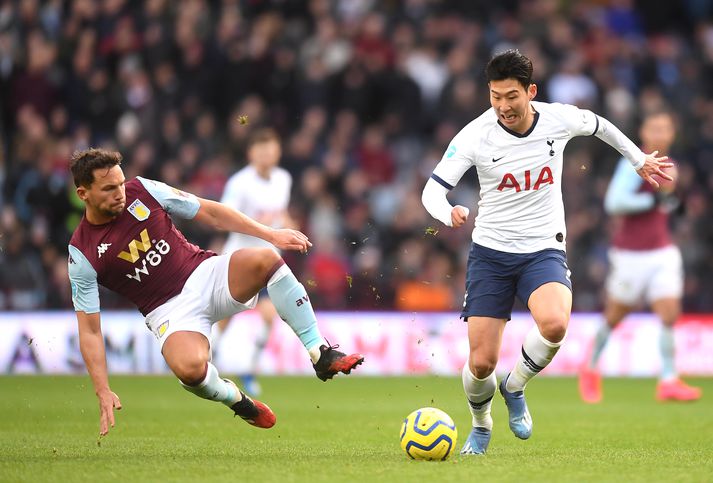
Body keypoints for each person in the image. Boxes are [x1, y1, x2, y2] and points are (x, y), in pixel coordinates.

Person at [421, 50, 672, 455]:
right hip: (491, 252)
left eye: (511, 96)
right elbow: (432, 189)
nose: (503, 106)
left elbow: (600, 125)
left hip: (543, 247)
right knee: (481, 363)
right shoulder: (474, 135)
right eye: (495, 96)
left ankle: (515, 385)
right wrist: (445, 211)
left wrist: (638, 159)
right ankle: (481, 424)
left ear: (530, 92)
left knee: (555, 323)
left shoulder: (558, 118)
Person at [67, 148, 364, 436]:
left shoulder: (143, 189)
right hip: (168, 311)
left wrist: (270, 234)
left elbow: (208, 211)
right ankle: (237, 400)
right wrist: (102, 390)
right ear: (84, 194)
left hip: (204, 273)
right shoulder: (82, 253)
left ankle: (320, 353)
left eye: (120, 183)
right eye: (108, 189)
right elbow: (90, 331)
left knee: (267, 259)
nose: (120, 192)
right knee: (190, 370)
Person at [579, 111, 701, 403]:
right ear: (643, 133)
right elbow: (615, 203)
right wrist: (653, 200)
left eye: (665, 128)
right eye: (654, 128)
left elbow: (666, 205)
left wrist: (675, 205)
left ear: (672, 133)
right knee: (615, 315)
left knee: (669, 312)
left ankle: (668, 380)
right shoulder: (631, 163)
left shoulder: (671, 166)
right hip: (630, 255)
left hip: (662, 251)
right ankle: (590, 368)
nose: (659, 133)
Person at [214, 128, 294, 396]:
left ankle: (248, 369)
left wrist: (291, 229)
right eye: (261, 150)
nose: (266, 155)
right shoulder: (239, 183)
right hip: (240, 261)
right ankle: (203, 362)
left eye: (271, 149)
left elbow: (280, 214)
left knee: (270, 317)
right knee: (225, 318)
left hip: (269, 263)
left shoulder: (284, 179)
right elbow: (226, 217)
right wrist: (263, 230)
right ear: (251, 154)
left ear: (278, 152)